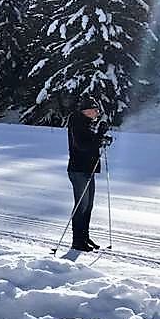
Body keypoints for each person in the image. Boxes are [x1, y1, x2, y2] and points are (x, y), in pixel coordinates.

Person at [67, 97, 111, 252]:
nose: (97, 112)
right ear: (86, 110)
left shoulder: (87, 124)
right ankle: (77, 240)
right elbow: (82, 145)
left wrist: (103, 139)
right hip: (79, 170)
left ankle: (84, 237)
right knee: (82, 205)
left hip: (88, 169)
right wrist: (100, 135)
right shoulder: (77, 122)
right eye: (95, 110)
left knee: (88, 205)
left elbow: (92, 142)